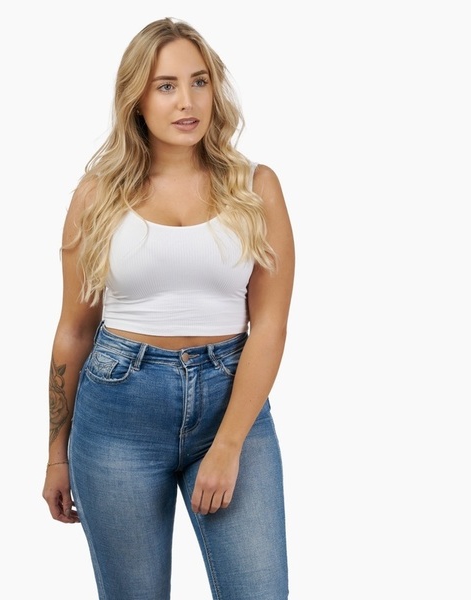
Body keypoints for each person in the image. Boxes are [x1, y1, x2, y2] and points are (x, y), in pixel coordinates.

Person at [42, 16, 295, 600]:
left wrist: (228, 444)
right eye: (166, 86)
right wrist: (56, 456)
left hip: (232, 400)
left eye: (199, 82)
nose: (188, 101)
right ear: (137, 98)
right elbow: (74, 331)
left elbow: (270, 326)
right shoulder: (97, 195)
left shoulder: (256, 187)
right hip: (118, 412)